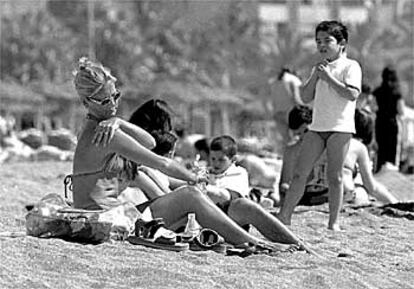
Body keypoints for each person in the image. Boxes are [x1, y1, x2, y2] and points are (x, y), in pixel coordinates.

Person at [71, 58, 305, 250]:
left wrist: (118, 121)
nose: (112, 104)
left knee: (217, 203)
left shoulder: (102, 127)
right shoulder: (105, 135)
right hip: (105, 221)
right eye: (104, 101)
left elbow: (150, 141)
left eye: (116, 96)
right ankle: (255, 242)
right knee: (190, 195)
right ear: (85, 102)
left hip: (111, 216)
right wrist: (194, 179)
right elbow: (161, 161)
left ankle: (289, 245)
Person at [277, 20, 362, 231]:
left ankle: (334, 221)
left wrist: (329, 78)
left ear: (341, 43)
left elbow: (352, 94)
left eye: (327, 41)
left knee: (335, 176)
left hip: (340, 128)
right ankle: (284, 216)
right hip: (317, 127)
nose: (322, 45)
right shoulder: (320, 68)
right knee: (299, 174)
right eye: (318, 41)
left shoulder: (351, 66)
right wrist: (316, 76)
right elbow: (305, 98)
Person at [343, 108, 398, 204]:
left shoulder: (324, 140)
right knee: (361, 191)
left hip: (313, 192)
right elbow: (372, 187)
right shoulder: (358, 147)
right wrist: (395, 203)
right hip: (342, 193)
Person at [278, 106, 329, 208]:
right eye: (298, 134)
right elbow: (285, 182)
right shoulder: (291, 151)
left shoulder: (326, 147)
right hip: (301, 196)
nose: (303, 137)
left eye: (306, 131)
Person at [372, 66, 406, 172]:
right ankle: (392, 170)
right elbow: (401, 111)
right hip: (392, 123)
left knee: (381, 149)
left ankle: (380, 170)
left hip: (380, 123)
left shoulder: (377, 92)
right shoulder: (397, 93)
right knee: (393, 149)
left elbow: (373, 108)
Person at [270, 66, 304, 153]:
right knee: (298, 139)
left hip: (278, 113)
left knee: (287, 141)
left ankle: (287, 159)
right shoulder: (293, 79)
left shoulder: (274, 82)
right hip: (291, 113)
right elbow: (296, 98)